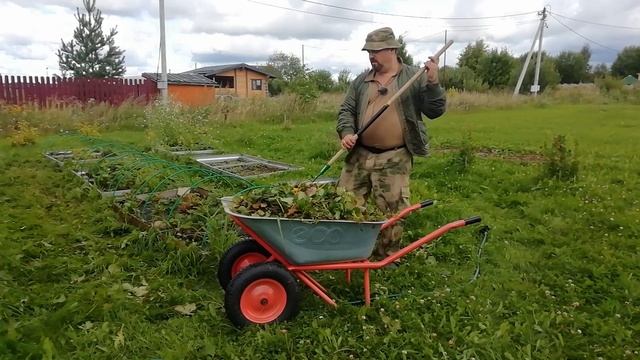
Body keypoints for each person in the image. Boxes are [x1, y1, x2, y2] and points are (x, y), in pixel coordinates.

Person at [336, 27, 446, 259]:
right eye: (368, 51)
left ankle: (386, 257)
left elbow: (435, 111)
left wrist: (433, 82)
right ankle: (347, 249)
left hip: (395, 157)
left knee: (393, 209)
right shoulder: (361, 81)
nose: (371, 56)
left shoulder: (414, 77)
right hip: (360, 154)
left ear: (393, 49)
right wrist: (346, 132)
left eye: (376, 51)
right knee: (344, 201)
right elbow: (346, 110)